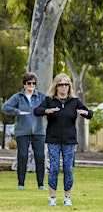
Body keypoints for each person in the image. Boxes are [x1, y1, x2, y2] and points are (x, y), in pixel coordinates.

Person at [34, 73, 93, 206]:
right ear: (56, 86)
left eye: (66, 84)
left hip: (69, 140)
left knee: (68, 168)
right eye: (61, 84)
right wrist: (47, 111)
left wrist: (85, 113)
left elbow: (90, 114)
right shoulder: (49, 100)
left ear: (69, 86)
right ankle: (53, 197)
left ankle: (67, 197)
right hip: (53, 139)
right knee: (54, 167)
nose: (64, 87)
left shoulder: (74, 101)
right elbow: (37, 111)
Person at [1, 72, 47, 191]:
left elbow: (49, 106)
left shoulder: (41, 96)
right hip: (22, 132)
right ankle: (21, 184)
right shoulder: (18, 97)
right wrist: (18, 112)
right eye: (29, 83)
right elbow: (5, 107)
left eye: (34, 83)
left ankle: (41, 184)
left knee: (40, 157)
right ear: (24, 84)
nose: (32, 85)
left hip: (39, 132)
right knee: (22, 156)